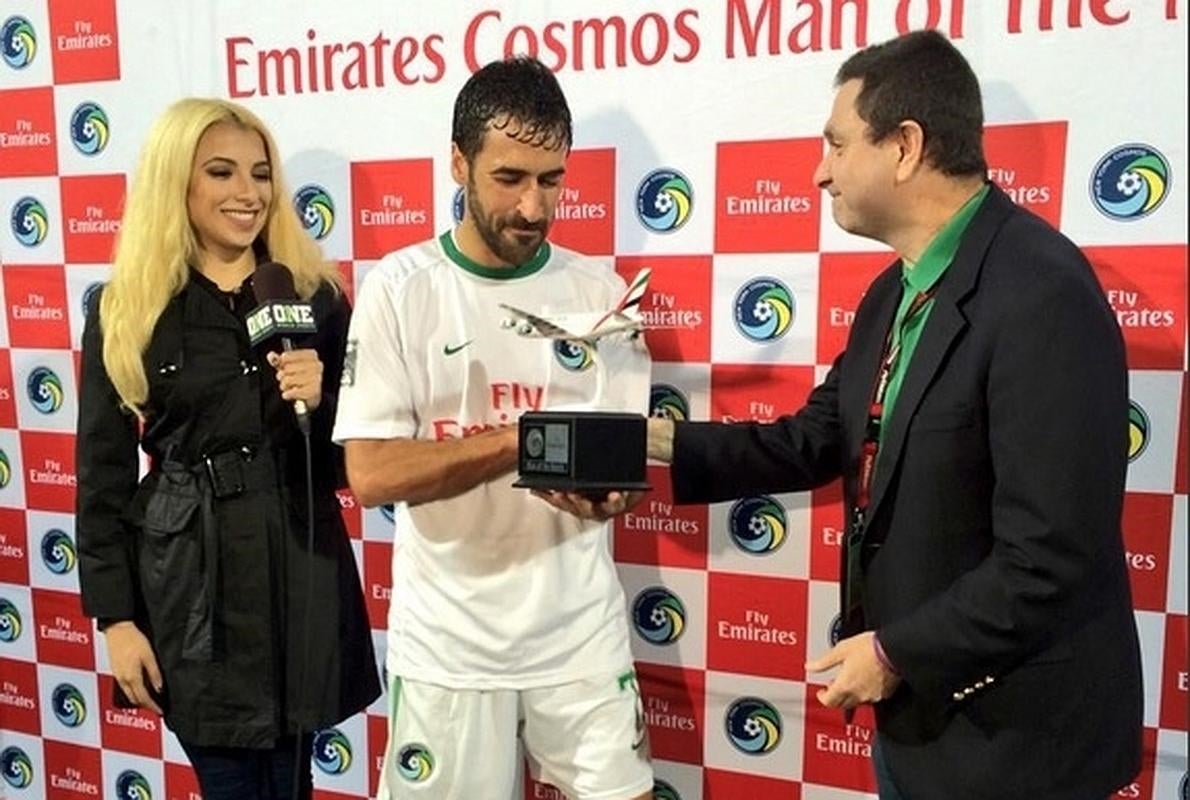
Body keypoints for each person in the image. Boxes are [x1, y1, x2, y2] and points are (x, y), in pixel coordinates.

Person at [637, 29, 1142, 800]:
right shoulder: (892, 293)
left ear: (904, 146)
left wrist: (897, 653)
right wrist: (652, 440)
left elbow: (1049, 556)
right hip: (922, 728)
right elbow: (813, 438)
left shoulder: (1043, 294)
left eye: (836, 145)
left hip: (1021, 746)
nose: (817, 174)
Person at [332, 56, 654, 800]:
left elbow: (624, 467)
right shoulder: (400, 290)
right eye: (510, 178)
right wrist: (517, 443)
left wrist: (612, 499)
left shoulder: (602, 294)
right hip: (450, 647)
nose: (535, 207)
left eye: (552, 180)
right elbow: (373, 475)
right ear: (458, 164)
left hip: (579, 634)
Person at [76, 97, 380, 800]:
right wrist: (117, 621)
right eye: (221, 172)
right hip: (192, 585)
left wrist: (323, 401)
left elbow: (353, 457)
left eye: (261, 173)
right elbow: (103, 479)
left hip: (301, 561)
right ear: (176, 182)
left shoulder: (314, 295)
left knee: (291, 777)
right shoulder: (128, 309)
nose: (248, 194)